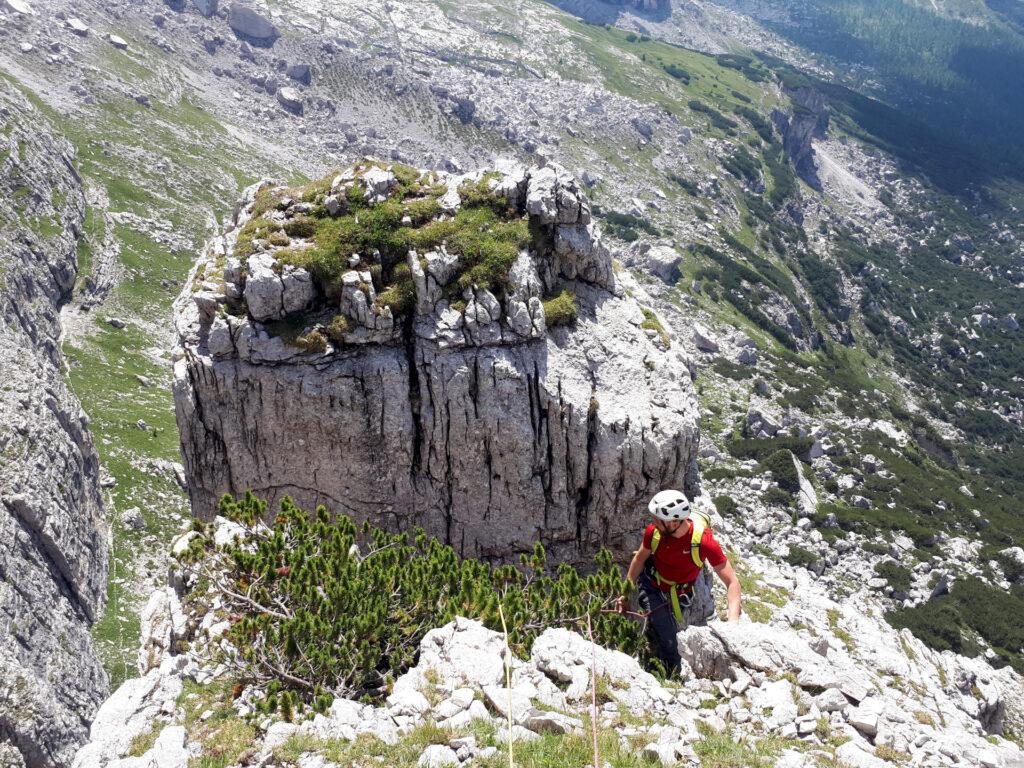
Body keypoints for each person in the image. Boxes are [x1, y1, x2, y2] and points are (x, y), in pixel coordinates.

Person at [616, 489, 741, 675]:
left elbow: (732, 582)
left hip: (681, 591)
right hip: (653, 583)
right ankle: (670, 674)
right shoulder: (654, 533)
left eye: (658, 520)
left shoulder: (704, 542)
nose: (653, 523)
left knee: (668, 632)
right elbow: (639, 560)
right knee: (669, 640)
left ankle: (662, 660)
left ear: (674, 521)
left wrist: (733, 624)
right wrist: (624, 594)